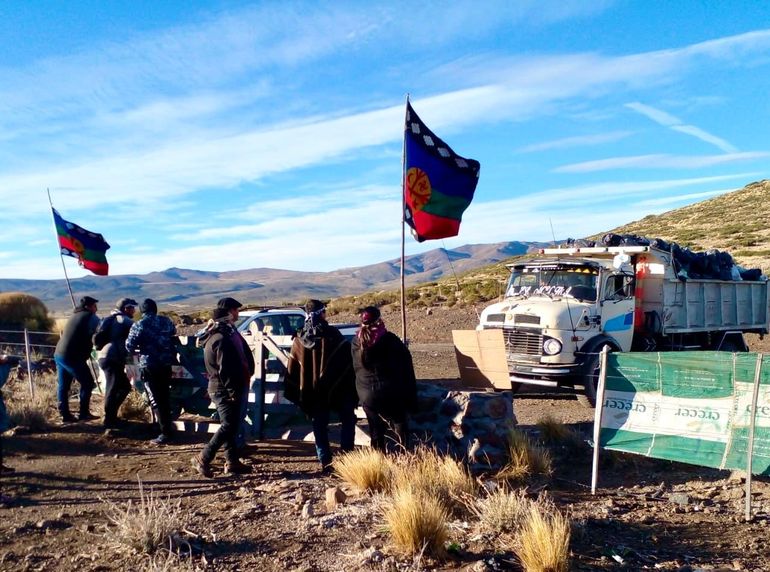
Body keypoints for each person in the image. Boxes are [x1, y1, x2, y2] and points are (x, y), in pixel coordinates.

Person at [285, 299, 357, 473]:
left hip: (312, 391)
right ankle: (347, 457)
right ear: (322, 313)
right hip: (337, 389)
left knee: (319, 425)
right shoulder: (333, 334)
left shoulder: (299, 339)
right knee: (348, 419)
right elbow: (347, 361)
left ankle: (325, 461)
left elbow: (294, 368)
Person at [191, 304, 254, 478]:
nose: (237, 313)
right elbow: (225, 369)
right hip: (223, 388)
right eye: (235, 310)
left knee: (231, 425)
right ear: (227, 315)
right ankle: (203, 457)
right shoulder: (221, 339)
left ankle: (232, 461)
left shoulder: (222, 335)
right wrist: (233, 391)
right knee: (228, 425)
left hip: (223, 386)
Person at [351, 306, 417, 453]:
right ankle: (405, 457)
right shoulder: (390, 340)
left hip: (367, 394)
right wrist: (411, 395)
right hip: (391, 392)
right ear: (379, 320)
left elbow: (355, 368)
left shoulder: (356, 342)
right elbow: (406, 367)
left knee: (376, 430)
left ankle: (378, 462)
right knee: (400, 425)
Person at [125, 299, 177, 445]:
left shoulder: (139, 324)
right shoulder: (166, 321)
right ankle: (166, 427)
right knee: (165, 397)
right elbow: (174, 331)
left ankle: (165, 432)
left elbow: (129, 345)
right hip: (166, 364)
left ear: (142, 311)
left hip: (149, 365)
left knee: (156, 399)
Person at [216, 297, 255, 451]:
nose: (237, 313)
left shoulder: (231, 330)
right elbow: (224, 364)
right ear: (229, 312)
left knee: (238, 416)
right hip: (233, 383)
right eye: (235, 310)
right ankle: (232, 450)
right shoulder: (223, 333)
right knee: (232, 419)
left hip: (240, 379)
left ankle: (239, 445)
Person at [54, 296, 100, 423]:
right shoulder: (91, 317)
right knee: (88, 383)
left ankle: (64, 414)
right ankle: (84, 413)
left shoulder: (74, 316)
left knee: (64, 385)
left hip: (59, 353)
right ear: (89, 307)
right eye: (94, 306)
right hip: (73, 356)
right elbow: (99, 333)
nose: (96, 308)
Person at [94, 297, 138, 429]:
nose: (134, 311)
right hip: (113, 357)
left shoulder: (108, 319)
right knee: (113, 389)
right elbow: (138, 334)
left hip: (105, 355)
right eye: (132, 308)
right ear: (126, 308)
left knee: (123, 386)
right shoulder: (125, 321)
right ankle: (109, 420)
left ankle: (111, 417)